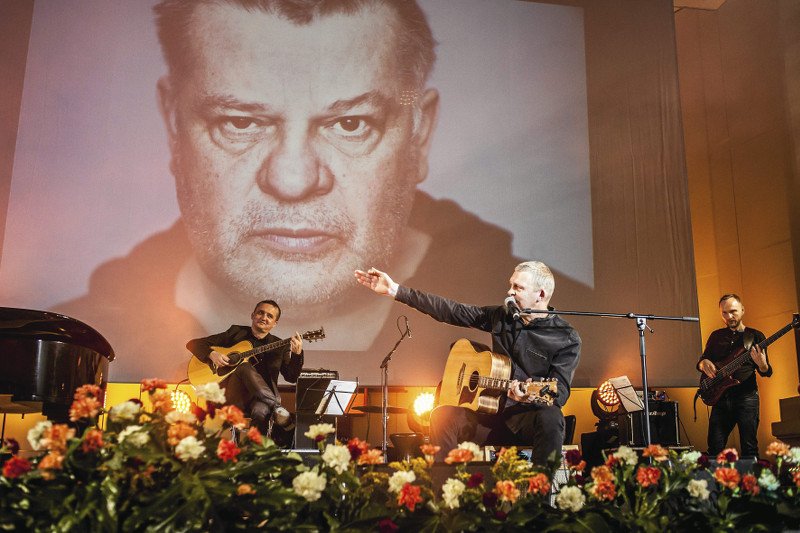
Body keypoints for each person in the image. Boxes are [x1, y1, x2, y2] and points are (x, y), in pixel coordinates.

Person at [54, 0, 587, 384]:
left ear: (418, 133)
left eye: (351, 124)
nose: (291, 180)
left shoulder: (568, 309)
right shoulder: (71, 335)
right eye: (238, 122)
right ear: (173, 123)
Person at [355, 261, 581, 466]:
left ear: (540, 295)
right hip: (488, 418)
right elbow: (451, 311)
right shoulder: (501, 317)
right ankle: (446, 494)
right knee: (442, 415)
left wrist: (527, 392)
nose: (510, 292)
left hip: (525, 421)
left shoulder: (565, 337)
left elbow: (559, 393)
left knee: (552, 417)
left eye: (518, 288)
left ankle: (538, 501)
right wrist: (395, 290)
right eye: (511, 285)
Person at [186, 300, 304, 435]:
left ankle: (255, 452)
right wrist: (211, 354)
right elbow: (192, 344)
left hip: (261, 400)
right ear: (253, 315)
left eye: (270, 316)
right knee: (244, 367)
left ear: (275, 323)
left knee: (261, 412)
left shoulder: (279, 345)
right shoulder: (236, 333)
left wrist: (297, 355)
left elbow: (291, 377)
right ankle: (277, 407)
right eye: (261, 313)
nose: (264, 318)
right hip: (233, 397)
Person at [697, 294, 771, 459]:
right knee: (714, 449)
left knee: (749, 448)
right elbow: (702, 360)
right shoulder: (716, 336)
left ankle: (750, 484)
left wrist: (762, 364)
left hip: (746, 397)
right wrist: (703, 363)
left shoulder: (756, 336)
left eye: (733, 311)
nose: (729, 316)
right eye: (724, 313)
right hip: (720, 398)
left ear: (743, 310)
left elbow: (767, 371)